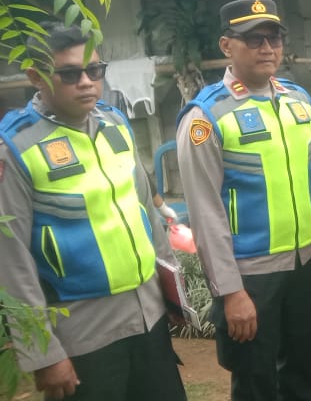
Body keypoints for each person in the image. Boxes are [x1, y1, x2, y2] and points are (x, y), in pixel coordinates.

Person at [175, 0, 311, 400]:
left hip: (304, 266)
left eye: (274, 38)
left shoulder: (297, 101)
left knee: (305, 376)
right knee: (256, 382)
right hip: (250, 276)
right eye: (254, 39)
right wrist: (230, 291)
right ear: (226, 46)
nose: (267, 48)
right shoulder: (207, 116)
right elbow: (205, 214)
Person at [0, 22, 186, 400]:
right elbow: (10, 260)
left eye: (94, 70)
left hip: (147, 317)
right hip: (82, 334)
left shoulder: (115, 124)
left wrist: (171, 292)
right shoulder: (16, 148)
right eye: (70, 73)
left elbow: (144, 213)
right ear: (36, 76)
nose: (86, 82)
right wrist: (43, 353)